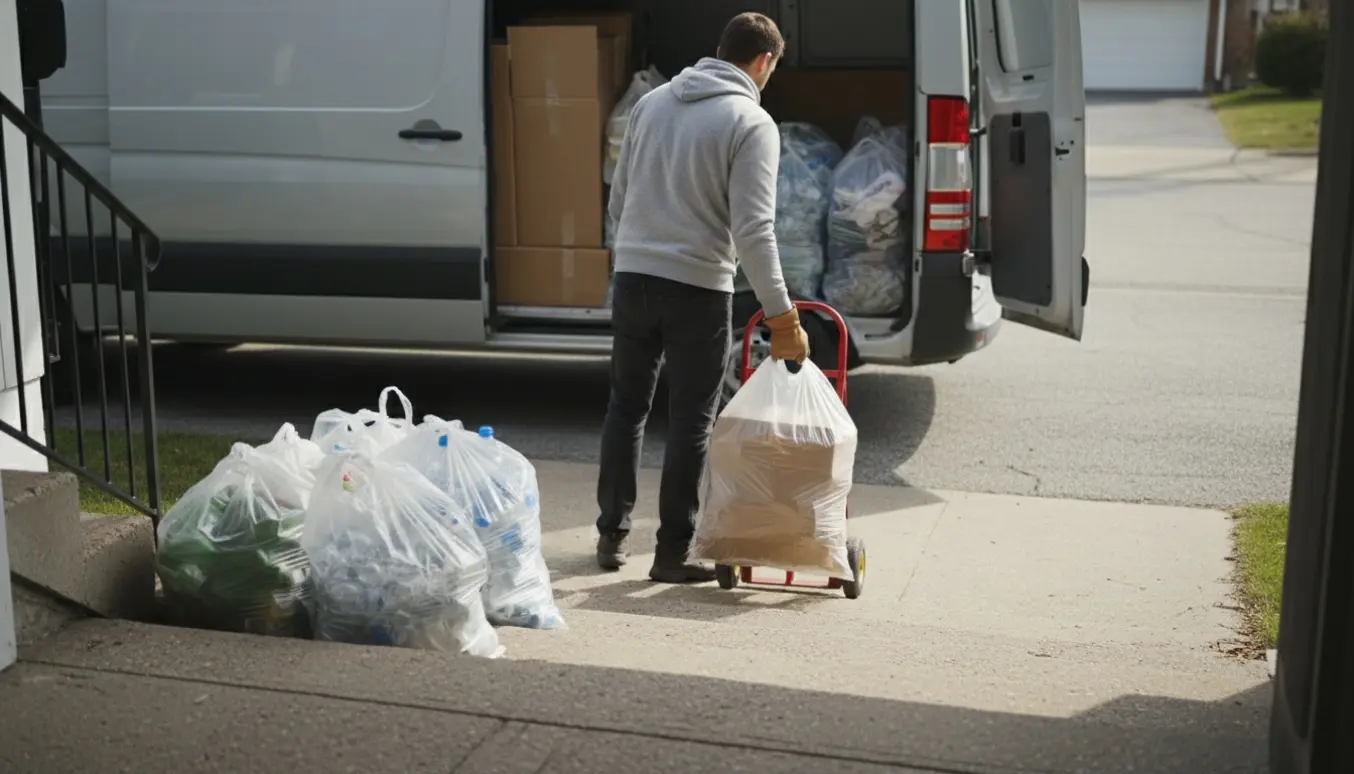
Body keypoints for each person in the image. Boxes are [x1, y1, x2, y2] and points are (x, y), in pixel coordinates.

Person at [596, 12, 811, 583]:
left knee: (626, 407)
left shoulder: (652, 103)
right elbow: (754, 231)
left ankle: (610, 536)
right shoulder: (751, 121)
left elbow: (618, 197)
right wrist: (783, 316)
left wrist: (631, 252)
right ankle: (671, 553)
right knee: (691, 418)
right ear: (763, 62)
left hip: (634, 276)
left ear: (720, 50)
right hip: (696, 287)